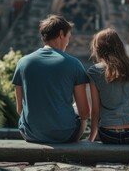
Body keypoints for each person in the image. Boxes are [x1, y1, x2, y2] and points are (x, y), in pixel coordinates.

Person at [12, 14, 90, 143]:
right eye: (68, 37)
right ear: (61, 34)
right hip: (65, 135)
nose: (68, 42)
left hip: (30, 134)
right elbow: (84, 113)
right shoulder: (74, 64)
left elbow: (19, 109)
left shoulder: (22, 63)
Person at [87, 28, 129, 144]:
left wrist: (91, 138)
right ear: (120, 45)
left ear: (98, 49)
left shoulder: (94, 72)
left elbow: (95, 110)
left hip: (109, 135)